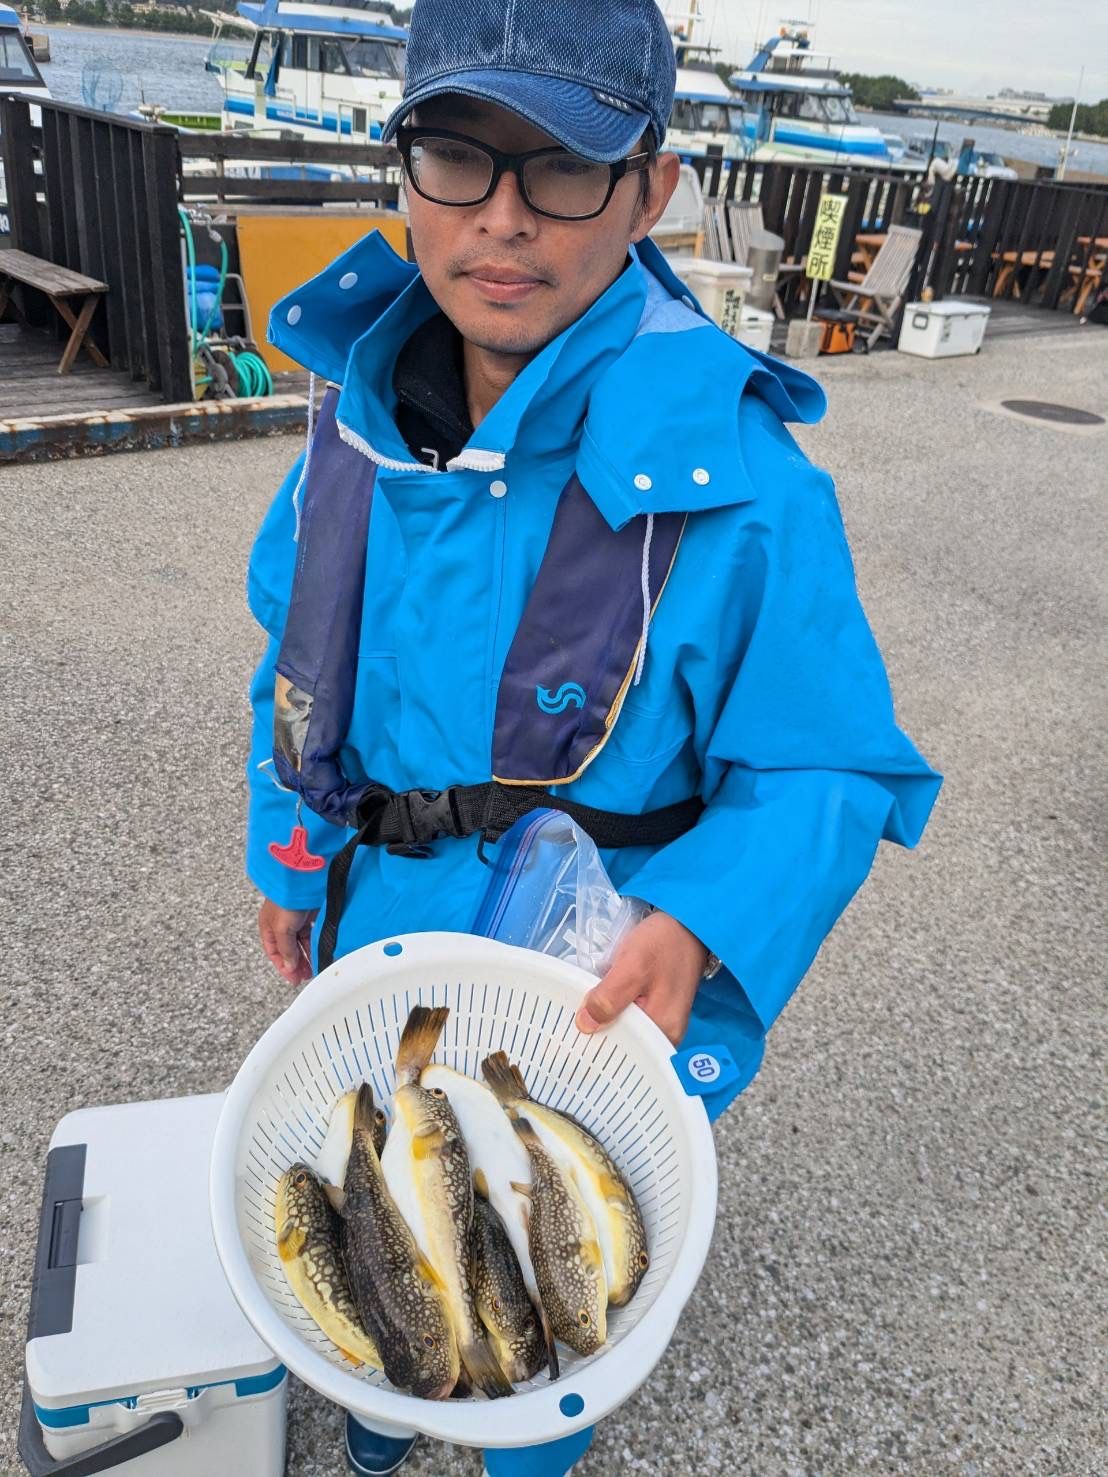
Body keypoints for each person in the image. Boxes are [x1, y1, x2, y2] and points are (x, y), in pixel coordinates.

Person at [244, 1, 942, 1472]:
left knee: (554, 1296)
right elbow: (296, 676)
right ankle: (380, 1417)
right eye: (457, 157)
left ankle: (530, 1445)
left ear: (651, 189)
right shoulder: (349, 426)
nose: (503, 220)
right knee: (383, 1226)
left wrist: (703, 919)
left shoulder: (748, 483)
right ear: (403, 172)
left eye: (563, 168)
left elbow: (826, 760)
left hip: (591, 983)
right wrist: (292, 854)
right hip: (378, 931)